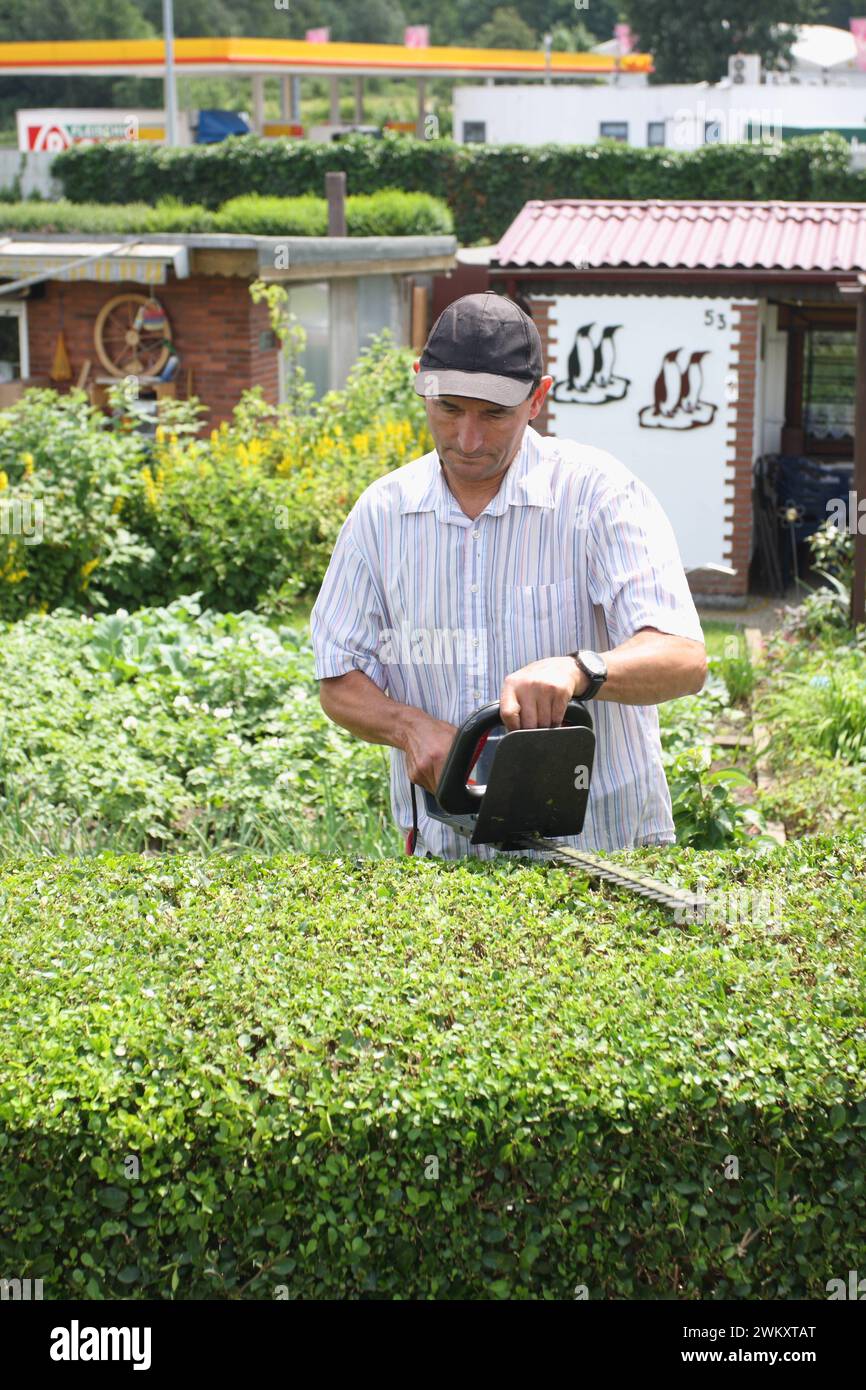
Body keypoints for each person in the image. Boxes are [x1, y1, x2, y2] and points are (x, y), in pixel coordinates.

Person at [310, 292, 707, 860]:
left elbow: (684, 659)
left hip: (604, 847)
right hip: (449, 851)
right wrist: (408, 727)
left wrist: (582, 670)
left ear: (537, 399)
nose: (467, 439)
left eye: (494, 414)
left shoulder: (597, 496)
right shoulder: (382, 514)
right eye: (448, 408)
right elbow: (338, 676)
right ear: (421, 382)